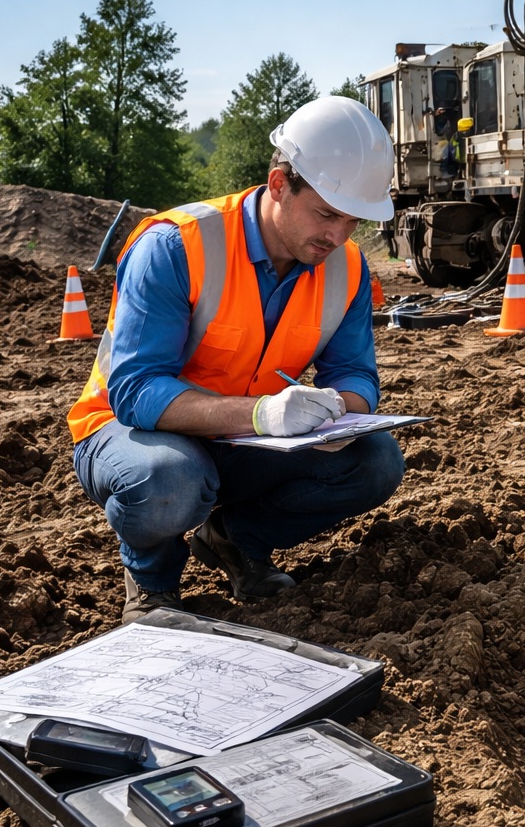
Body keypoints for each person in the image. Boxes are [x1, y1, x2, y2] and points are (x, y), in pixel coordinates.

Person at [69, 95, 408, 624]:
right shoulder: (177, 246)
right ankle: (152, 582)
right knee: (170, 479)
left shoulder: (347, 268)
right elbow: (135, 390)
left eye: (353, 221)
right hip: (131, 433)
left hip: (244, 438)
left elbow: (355, 372)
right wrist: (262, 413)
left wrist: (340, 411)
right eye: (326, 214)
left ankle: (232, 540)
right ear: (279, 184)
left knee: (376, 460)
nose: (337, 236)